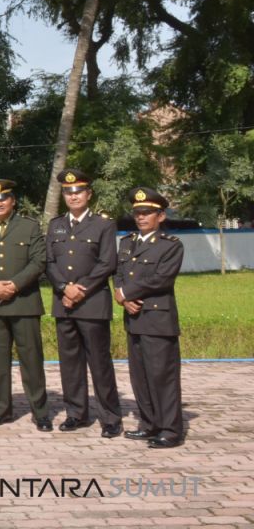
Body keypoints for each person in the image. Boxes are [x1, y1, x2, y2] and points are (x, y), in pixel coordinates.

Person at [0, 179, 51, 432]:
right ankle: (2, 409)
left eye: (3, 198)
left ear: (13, 201)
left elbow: (39, 262)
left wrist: (13, 285)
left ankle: (41, 412)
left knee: (32, 360)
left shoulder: (29, 226)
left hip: (24, 303)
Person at [46, 169, 122, 438]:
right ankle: (76, 413)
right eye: (68, 192)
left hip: (91, 302)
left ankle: (111, 417)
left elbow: (107, 263)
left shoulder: (103, 225)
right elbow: (50, 262)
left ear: (89, 194)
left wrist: (81, 289)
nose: (73, 196)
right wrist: (64, 288)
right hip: (63, 302)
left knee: (99, 363)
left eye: (78, 191)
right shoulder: (55, 225)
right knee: (70, 363)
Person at [115, 187, 184, 448]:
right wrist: (122, 295)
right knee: (140, 376)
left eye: (147, 213)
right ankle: (149, 424)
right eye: (137, 213)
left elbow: (161, 279)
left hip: (158, 320)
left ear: (161, 216)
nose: (141, 217)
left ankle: (170, 430)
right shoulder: (127, 242)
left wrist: (125, 293)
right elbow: (119, 272)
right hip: (134, 318)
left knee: (162, 377)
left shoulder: (170, 246)